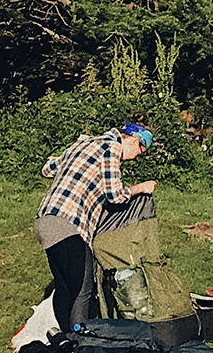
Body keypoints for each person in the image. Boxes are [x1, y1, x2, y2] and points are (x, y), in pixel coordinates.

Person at [35, 122, 155, 333]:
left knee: (65, 288)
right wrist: (140, 188)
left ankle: (66, 340)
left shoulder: (84, 143)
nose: (137, 156)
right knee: (83, 289)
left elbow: (47, 169)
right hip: (69, 224)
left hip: (45, 221)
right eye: (140, 151)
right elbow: (115, 195)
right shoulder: (111, 148)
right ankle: (80, 343)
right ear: (133, 140)